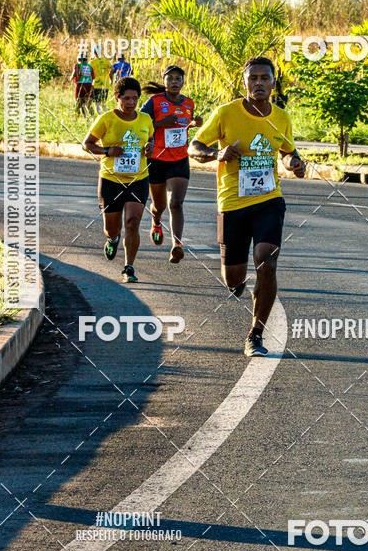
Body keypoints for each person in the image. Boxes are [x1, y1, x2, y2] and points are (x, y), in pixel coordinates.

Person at [189, 57, 306, 357]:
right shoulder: (226, 113)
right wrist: (217, 153)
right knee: (233, 278)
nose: (258, 83)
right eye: (252, 78)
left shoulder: (281, 117)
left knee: (266, 262)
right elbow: (194, 148)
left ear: (273, 82)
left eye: (264, 78)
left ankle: (255, 334)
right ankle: (238, 283)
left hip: (269, 200)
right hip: (232, 203)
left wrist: (293, 163)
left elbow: (286, 151)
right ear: (244, 82)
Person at [83, 77, 154, 283]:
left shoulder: (145, 120)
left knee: (133, 223)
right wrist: (107, 151)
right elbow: (87, 144)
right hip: (111, 181)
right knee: (112, 228)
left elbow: (149, 141)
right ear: (117, 98)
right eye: (126, 98)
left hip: (138, 179)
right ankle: (112, 239)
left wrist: (149, 148)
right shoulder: (106, 119)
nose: (131, 103)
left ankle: (129, 267)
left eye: (135, 98)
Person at [141, 65, 203, 263]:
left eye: (178, 79)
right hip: (157, 160)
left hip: (179, 159)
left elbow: (184, 124)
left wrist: (195, 123)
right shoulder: (154, 102)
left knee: (176, 203)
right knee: (159, 205)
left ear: (183, 82)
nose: (175, 82)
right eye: (171, 79)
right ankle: (156, 220)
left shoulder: (189, 103)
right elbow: (139, 123)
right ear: (164, 80)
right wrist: (160, 124)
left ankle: (177, 244)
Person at [90, 47, 112, 113]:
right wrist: (111, 79)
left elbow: (89, 73)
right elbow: (112, 68)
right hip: (106, 84)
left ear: (94, 53)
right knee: (102, 102)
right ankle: (106, 113)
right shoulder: (106, 61)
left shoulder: (92, 62)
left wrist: (91, 82)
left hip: (96, 84)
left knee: (97, 103)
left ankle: (100, 116)